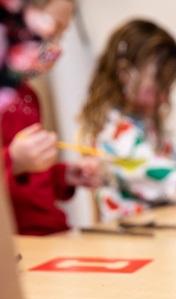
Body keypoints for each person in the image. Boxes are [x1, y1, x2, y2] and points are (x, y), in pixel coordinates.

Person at [79, 19, 176, 220]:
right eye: (158, 85)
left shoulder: (142, 121)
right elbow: (148, 171)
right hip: (126, 243)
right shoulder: (112, 129)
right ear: (125, 75)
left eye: (168, 88)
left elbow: (165, 160)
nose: (164, 97)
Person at [1, 0, 102, 235]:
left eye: (61, 36)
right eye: (51, 31)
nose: (56, 49)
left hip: (51, 230)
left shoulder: (28, 95)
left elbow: (30, 182)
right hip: (20, 240)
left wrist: (63, 176)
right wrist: (13, 160)